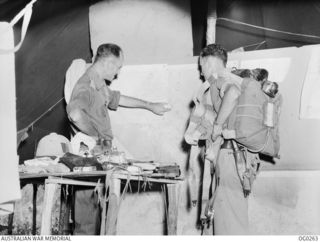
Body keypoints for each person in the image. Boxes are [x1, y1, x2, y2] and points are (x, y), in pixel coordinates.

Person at [66, 43, 171, 235]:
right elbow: (74, 114)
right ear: (108, 63)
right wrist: (95, 137)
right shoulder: (86, 85)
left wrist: (150, 105)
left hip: (101, 159)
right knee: (87, 222)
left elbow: (118, 99)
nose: (118, 73)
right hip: (89, 160)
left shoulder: (99, 85)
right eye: (118, 67)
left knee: (104, 218)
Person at [199, 44, 250, 235]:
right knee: (228, 215)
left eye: (201, 66)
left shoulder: (220, 79)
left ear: (208, 63)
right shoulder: (230, 77)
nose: (201, 71)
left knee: (229, 219)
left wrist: (218, 126)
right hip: (234, 156)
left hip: (229, 156)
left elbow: (234, 93)